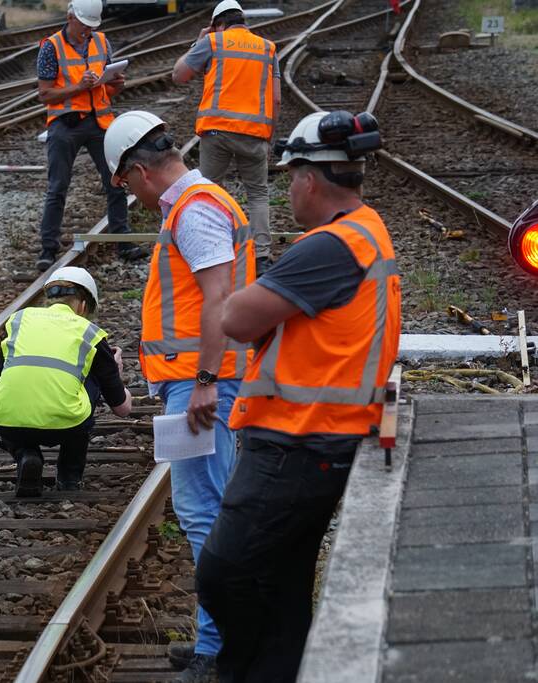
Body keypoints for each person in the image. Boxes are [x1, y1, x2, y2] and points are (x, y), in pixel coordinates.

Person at [195, 111, 400, 683]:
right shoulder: (368, 228)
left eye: (290, 179)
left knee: (223, 572)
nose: (287, 190)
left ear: (311, 179)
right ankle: (281, 668)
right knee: (280, 577)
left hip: (298, 439)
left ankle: (245, 668)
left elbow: (235, 317)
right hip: (322, 436)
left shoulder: (330, 247)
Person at [104, 111, 255, 683]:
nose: (130, 196)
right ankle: (217, 639)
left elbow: (219, 298)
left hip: (202, 386)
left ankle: (220, 650)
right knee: (208, 509)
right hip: (198, 381)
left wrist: (206, 382)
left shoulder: (195, 212)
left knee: (202, 513)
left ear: (139, 172)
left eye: (123, 185)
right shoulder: (201, 203)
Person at [0, 266, 132, 496]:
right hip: (66, 426)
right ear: (83, 306)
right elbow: (122, 409)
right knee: (89, 382)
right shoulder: (89, 332)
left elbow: (3, 374)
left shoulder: (19, 320)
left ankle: (26, 454)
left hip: (8, 422)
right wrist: (115, 372)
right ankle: (69, 476)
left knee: (2, 392)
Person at [35, 0, 145, 272]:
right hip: (66, 125)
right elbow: (45, 94)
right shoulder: (51, 46)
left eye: (92, 26)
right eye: (84, 25)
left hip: (99, 122)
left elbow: (107, 89)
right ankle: (48, 248)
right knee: (57, 187)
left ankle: (122, 240)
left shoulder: (101, 42)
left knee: (115, 181)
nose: (88, 31)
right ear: (70, 16)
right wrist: (78, 87)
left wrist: (116, 83)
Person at [172, 0, 281, 274]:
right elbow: (277, 99)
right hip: (254, 134)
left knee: (209, 192)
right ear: (243, 20)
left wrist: (197, 43)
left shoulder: (214, 42)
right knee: (257, 194)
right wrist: (268, 136)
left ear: (218, 25)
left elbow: (179, 75)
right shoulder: (267, 48)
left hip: (217, 131)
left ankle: (212, 251)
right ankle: (263, 257)